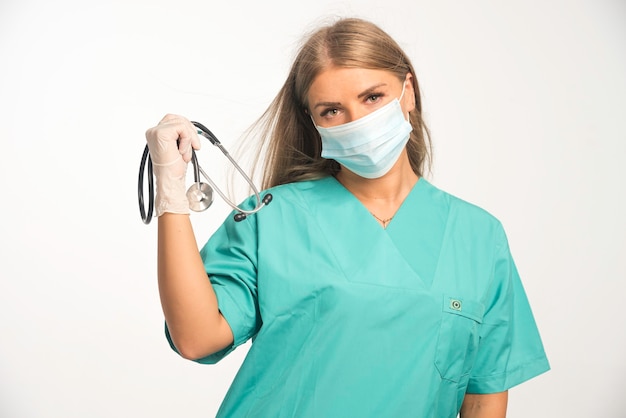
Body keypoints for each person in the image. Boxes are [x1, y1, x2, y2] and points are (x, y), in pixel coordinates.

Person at [145, 17, 549, 418]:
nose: (358, 121)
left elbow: (483, 396)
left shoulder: (478, 237)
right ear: (313, 121)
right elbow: (196, 338)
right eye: (333, 110)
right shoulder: (271, 216)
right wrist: (170, 189)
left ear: (408, 91)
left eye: (373, 97)